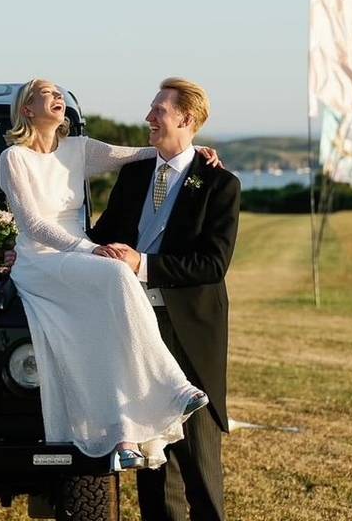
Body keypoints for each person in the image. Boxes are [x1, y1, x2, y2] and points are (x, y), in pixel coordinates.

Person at [0, 78, 220, 471]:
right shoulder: (14, 157)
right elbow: (32, 224)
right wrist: (89, 249)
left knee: (110, 330)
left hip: (79, 259)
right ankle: (173, 386)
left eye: (59, 93)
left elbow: (139, 154)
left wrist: (193, 151)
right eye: (46, 94)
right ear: (27, 109)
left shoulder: (79, 149)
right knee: (119, 273)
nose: (57, 97)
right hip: (39, 260)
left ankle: (125, 434)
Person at [87, 77, 240, 520]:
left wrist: (143, 264)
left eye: (159, 110)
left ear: (186, 118)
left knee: (198, 455)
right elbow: (101, 236)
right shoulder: (135, 175)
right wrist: (46, 250)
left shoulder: (219, 184)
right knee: (153, 453)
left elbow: (212, 265)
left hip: (189, 329)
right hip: (135, 324)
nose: (148, 117)